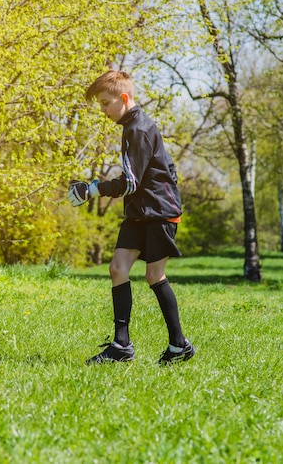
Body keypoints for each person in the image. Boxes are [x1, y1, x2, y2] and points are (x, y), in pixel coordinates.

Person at [67, 70, 195, 365]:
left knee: (154, 276)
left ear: (123, 99)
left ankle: (179, 346)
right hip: (140, 211)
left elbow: (130, 183)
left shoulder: (137, 129)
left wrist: (94, 189)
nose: (102, 110)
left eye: (104, 103)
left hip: (160, 213)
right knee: (117, 268)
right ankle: (121, 346)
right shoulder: (131, 127)